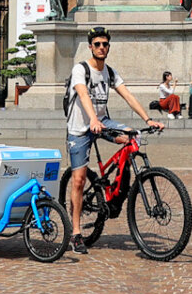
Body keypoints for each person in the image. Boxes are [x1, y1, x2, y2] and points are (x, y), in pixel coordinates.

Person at [66, 27, 162, 254]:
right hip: (80, 127)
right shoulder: (81, 69)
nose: (101, 48)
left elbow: (127, 95)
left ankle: (118, 192)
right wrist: (92, 120)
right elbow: (82, 95)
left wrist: (148, 119)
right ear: (90, 46)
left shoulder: (110, 72)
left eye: (105, 44)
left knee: (133, 137)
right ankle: (76, 233)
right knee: (79, 180)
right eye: (97, 44)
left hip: (102, 121)